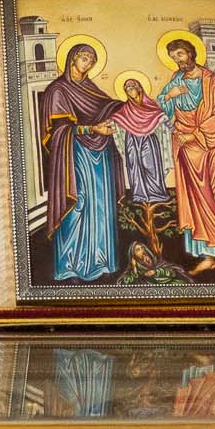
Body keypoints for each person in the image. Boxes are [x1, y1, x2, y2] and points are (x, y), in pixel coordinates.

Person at [155, 36, 215, 282]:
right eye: (173, 57)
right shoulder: (176, 80)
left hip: (212, 146)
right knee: (197, 202)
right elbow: (161, 110)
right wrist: (168, 96)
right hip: (188, 151)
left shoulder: (212, 83)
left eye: (180, 54)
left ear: (191, 53)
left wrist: (195, 134)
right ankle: (208, 256)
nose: (178, 60)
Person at [38, 43, 123, 283]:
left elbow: (110, 108)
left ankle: (101, 260)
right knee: (78, 203)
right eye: (85, 58)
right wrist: (92, 129)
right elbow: (58, 131)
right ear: (72, 58)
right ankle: (70, 265)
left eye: (92, 61)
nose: (88, 64)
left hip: (100, 155)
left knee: (101, 205)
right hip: (73, 154)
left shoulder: (91, 89)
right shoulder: (58, 90)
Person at [107, 70, 173, 246]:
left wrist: (170, 125)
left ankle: (156, 191)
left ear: (139, 88)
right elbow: (116, 119)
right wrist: (110, 123)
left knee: (150, 165)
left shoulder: (150, 106)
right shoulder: (125, 109)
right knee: (135, 166)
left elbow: (161, 117)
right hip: (132, 141)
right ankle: (140, 193)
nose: (130, 91)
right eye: (127, 89)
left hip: (148, 141)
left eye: (132, 87)